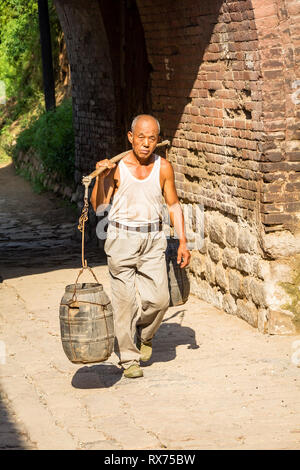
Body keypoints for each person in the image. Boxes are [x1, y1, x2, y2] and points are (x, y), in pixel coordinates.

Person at [90, 114, 190, 378]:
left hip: (153, 239)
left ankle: (145, 335)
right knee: (124, 304)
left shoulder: (163, 167)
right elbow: (98, 206)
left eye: (152, 138)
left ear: (158, 141)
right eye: (141, 137)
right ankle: (129, 358)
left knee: (159, 299)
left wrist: (182, 240)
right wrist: (103, 178)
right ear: (130, 138)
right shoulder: (117, 168)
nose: (146, 143)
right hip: (121, 239)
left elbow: (173, 204)